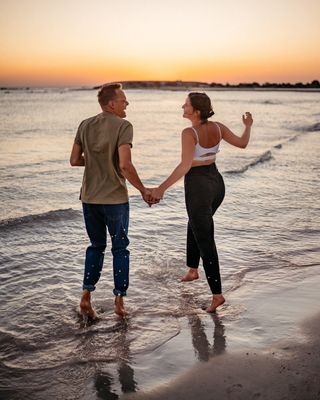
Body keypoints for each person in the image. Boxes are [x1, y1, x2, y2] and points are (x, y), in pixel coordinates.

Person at [151, 92, 253, 312]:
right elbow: (243, 143)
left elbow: (184, 166)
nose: (182, 106)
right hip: (217, 184)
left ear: (195, 110)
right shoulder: (218, 127)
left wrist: (161, 188)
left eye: (186, 105)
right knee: (196, 224)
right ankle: (192, 269)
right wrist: (248, 125)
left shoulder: (189, 133)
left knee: (205, 239)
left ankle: (217, 295)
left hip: (198, 186)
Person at [70, 83, 152, 318]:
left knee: (96, 247)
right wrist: (143, 189)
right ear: (111, 104)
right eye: (123, 100)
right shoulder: (124, 126)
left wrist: (98, 161)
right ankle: (119, 303)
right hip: (114, 199)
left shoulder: (85, 124)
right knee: (120, 249)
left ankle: (86, 297)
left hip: (89, 198)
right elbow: (125, 165)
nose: (127, 104)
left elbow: (75, 160)